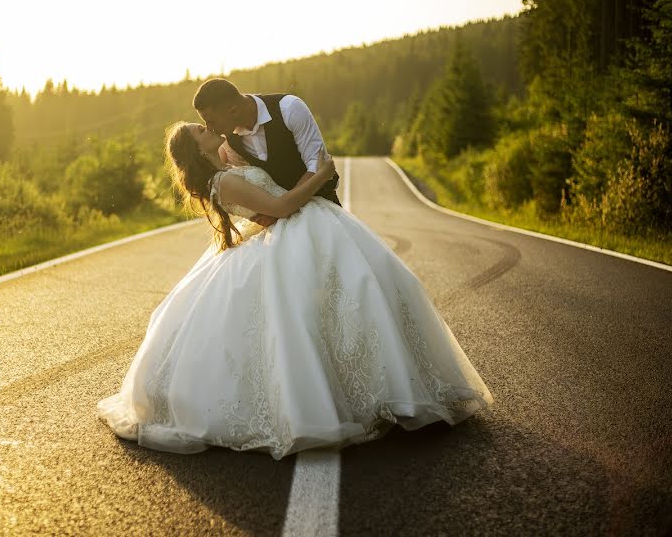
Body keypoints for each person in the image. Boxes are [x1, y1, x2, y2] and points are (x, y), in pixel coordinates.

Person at [95, 119, 494, 460]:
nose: (210, 128)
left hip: (299, 228)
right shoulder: (224, 182)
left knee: (358, 297)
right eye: (201, 129)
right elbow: (282, 207)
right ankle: (318, 405)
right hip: (290, 228)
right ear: (196, 150)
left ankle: (393, 387)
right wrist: (320, 177)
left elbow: (273, 197)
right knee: (298, 318)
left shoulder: (231, 162)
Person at [192, 78, 341, 229]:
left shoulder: (289, 108)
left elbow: (317, 163)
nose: (209, 127)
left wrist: (284, 208)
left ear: (233, 110)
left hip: (324, 211)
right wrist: (262, 213)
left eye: (211, 121)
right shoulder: (228, 141)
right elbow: (246, 187)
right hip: (281, 227)